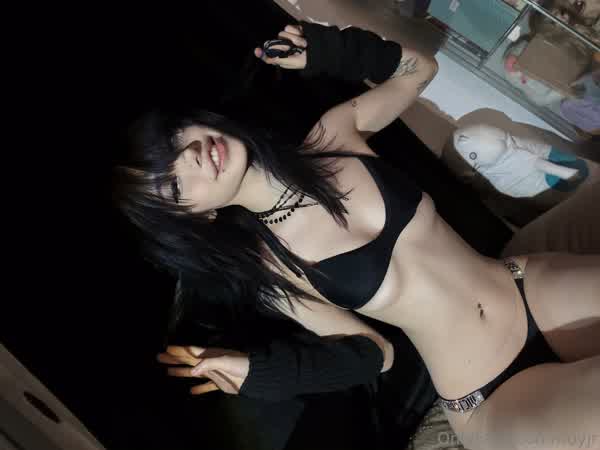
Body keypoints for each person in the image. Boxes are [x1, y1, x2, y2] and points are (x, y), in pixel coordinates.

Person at [113, 21, 600, 450]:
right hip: (487, 391)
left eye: (174, 140)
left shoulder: (334, 136)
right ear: (197, 216)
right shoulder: (271, 266)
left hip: (526, 288)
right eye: (174, 186)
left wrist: (330, 50)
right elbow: (375, 355)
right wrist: (262, 374)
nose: (190, 155)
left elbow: (419, 69)